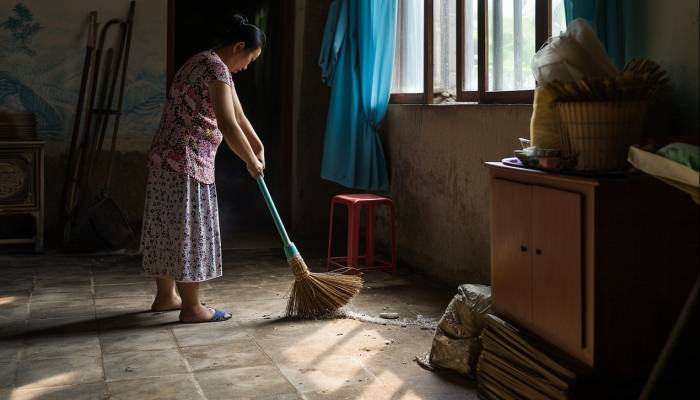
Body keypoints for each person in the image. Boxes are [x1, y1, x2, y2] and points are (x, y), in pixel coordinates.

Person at [140, 14, 265, 323]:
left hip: (163, 158)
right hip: (187, 162)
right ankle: (192, 308)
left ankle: (166, 297)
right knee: (188, 231)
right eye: (249, 58)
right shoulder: (216, 68)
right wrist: (249, 160)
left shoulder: (203, 62)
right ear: (239, 46)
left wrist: (257, 144)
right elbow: (226, 122)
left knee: (166, 227)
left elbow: (239, 115)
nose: (247, 66)